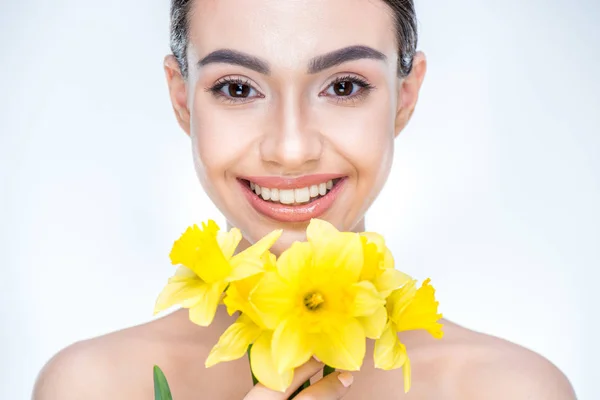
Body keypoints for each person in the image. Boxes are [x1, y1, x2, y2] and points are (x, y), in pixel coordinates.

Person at [32, 0, 577, 398]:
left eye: (343, 86)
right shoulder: (90, 387)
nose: (290, 150)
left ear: (404, 98)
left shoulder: (513, 390)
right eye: (238, 88)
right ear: (181, 99)